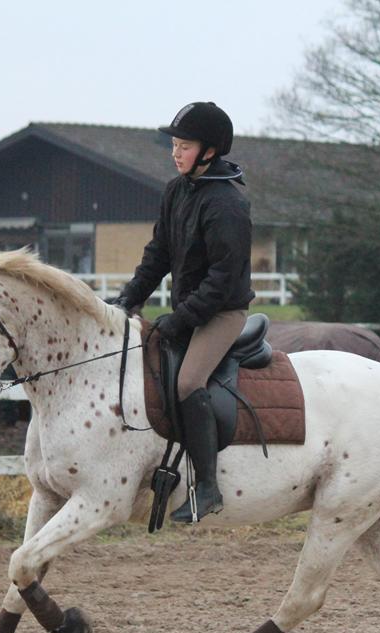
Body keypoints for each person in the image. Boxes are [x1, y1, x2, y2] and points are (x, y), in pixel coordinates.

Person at [108, 101, 254, 523]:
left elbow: (223, 279)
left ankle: (208, 488)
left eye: (184, 145)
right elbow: (159, 253)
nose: (175, 153)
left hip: (222, 313)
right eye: (173, 144)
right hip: (191, 310)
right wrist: (129, 298)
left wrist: (181, 318)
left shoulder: (227, 205)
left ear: (209, 150)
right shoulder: (176, 190)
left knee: (189, 382)